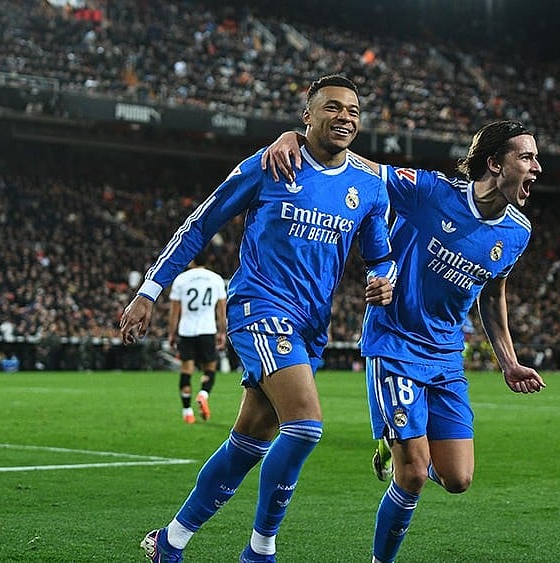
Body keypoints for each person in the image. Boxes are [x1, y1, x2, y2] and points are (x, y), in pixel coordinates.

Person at [119, 74, 397, 563]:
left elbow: (380, 256)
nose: (345, 118)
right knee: (306, 426)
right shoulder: (272, 164)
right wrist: (150, 290)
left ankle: (171, 541)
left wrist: (385, 278)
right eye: (332, 108)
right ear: (306, 116)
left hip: (311, 326)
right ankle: (260, 550)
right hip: (259, 308)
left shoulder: (369, 186)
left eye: (353, 111)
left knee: (249, 441)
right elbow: (201, 222)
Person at [263, 118, 547, 563]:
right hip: (394, 344)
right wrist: (298, 140)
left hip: (446, 357)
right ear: (494, 163)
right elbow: (363, 167)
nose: (537, 168)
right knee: (413, 473)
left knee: (457, 479)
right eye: (527, 157)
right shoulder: (431, 192)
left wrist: (509, 361)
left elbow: (493, 295)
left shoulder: (518, 232)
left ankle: (394, 444)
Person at [168, 251, 228, 424]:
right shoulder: (216, 279)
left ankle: (187, 412)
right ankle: (203, 394)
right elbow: (221, 309)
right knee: (210, 368)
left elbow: (174, 310)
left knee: (187, 370)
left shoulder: (181, 279)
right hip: (207, 330)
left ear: (192, 260)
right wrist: (222, 332)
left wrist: (172, 333)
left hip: (186, 330)